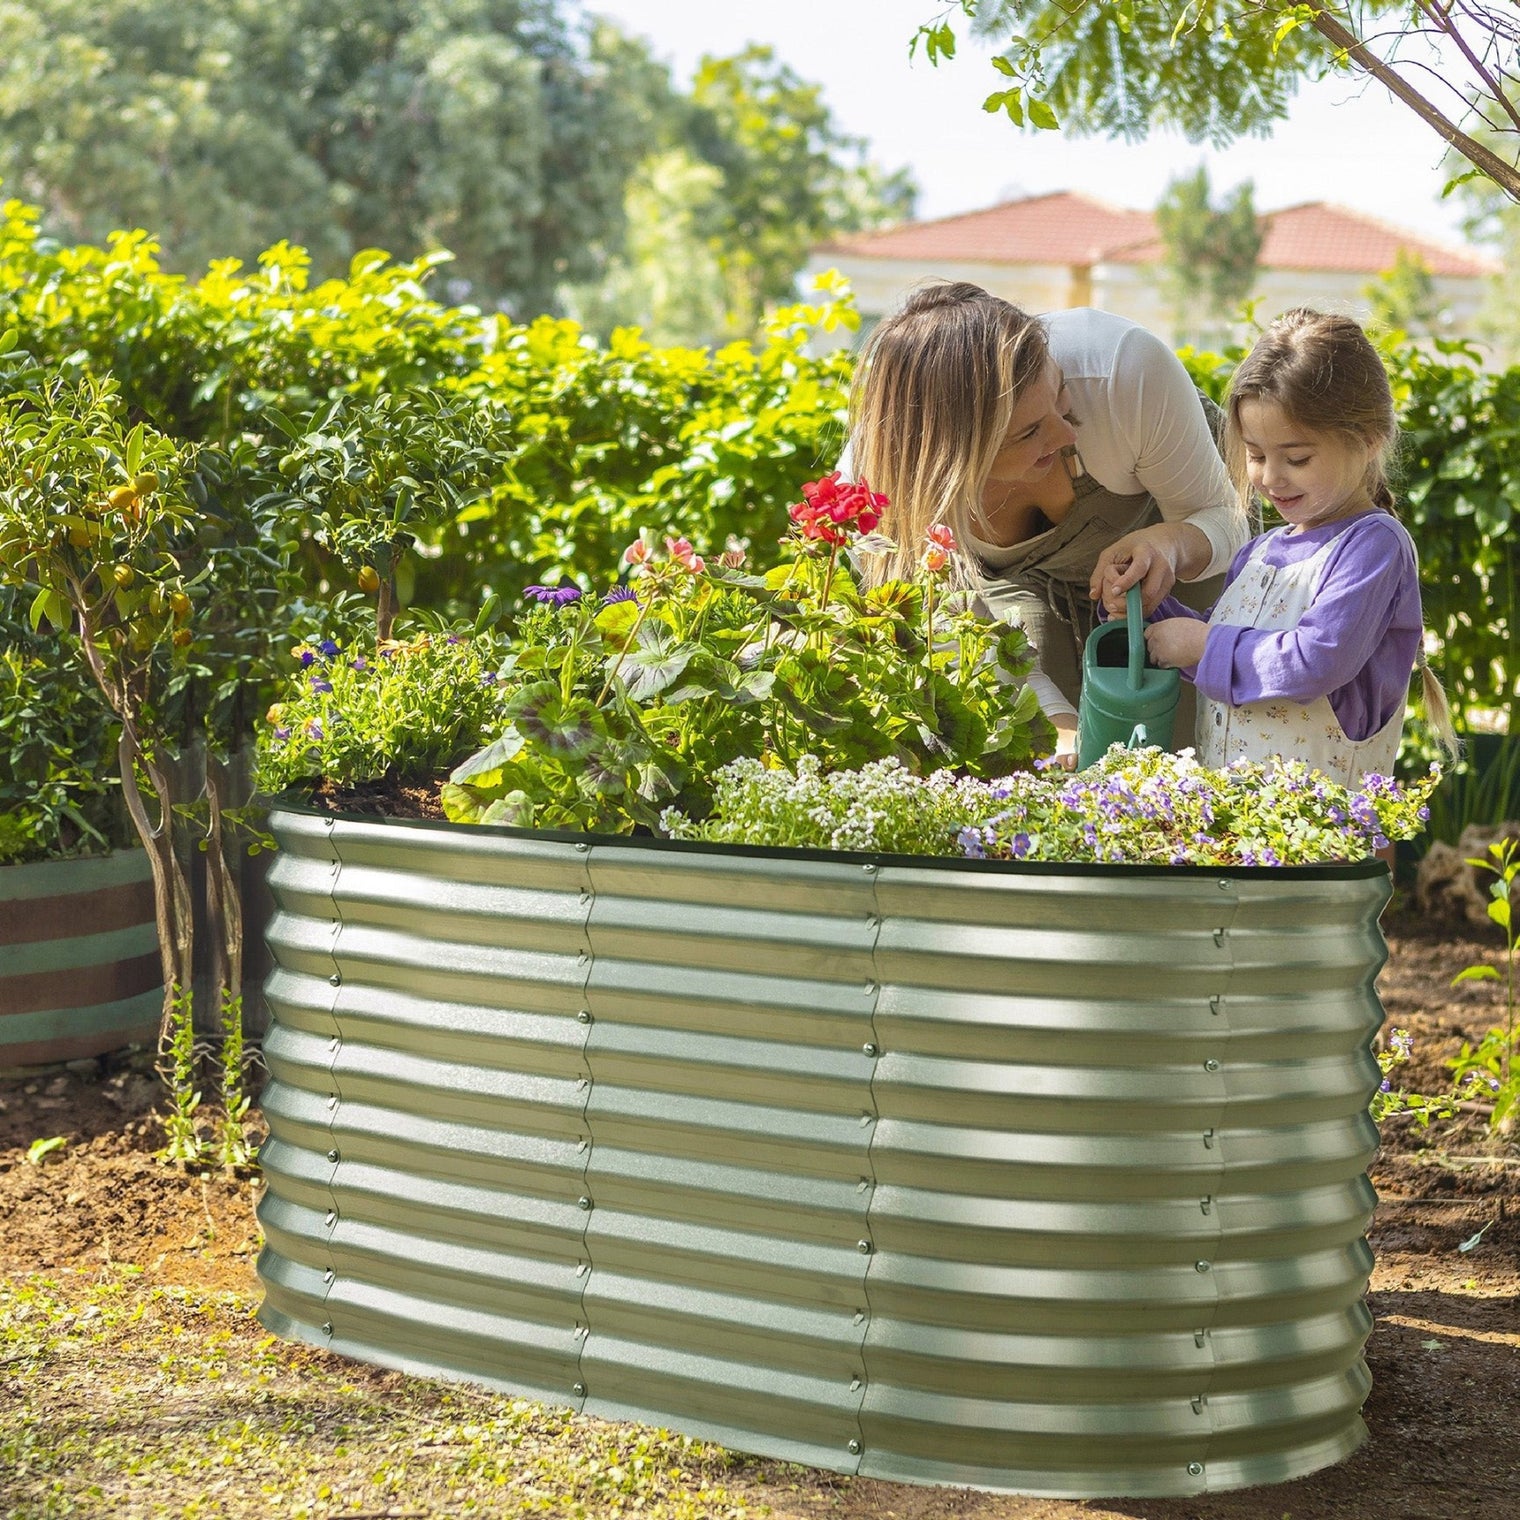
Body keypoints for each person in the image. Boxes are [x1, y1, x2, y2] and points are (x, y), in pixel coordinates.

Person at [845, 281, 1251, 761]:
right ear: (955, 457)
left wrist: (1168, 545)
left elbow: (1228, 521)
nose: (1065, 434)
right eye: (1029, 432)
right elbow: (971, 638)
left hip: (1184, 555)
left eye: (1060, 395)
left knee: (1189, 746)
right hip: (1011, 591)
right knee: (1028, 753)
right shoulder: (882, 488)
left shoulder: (1122, 370)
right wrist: (1061, 733)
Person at [1106, 307, 1456, 784]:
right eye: (1255, 455)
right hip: (1236, 818)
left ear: (1369, 440)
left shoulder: (1373, 546)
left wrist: (1202, 644)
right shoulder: (1260, 552)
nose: (1271, 477)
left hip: (1320, 824)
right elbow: (1234, 663)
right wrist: (1146, 608)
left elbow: (1315, 660)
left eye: (1297, 458)